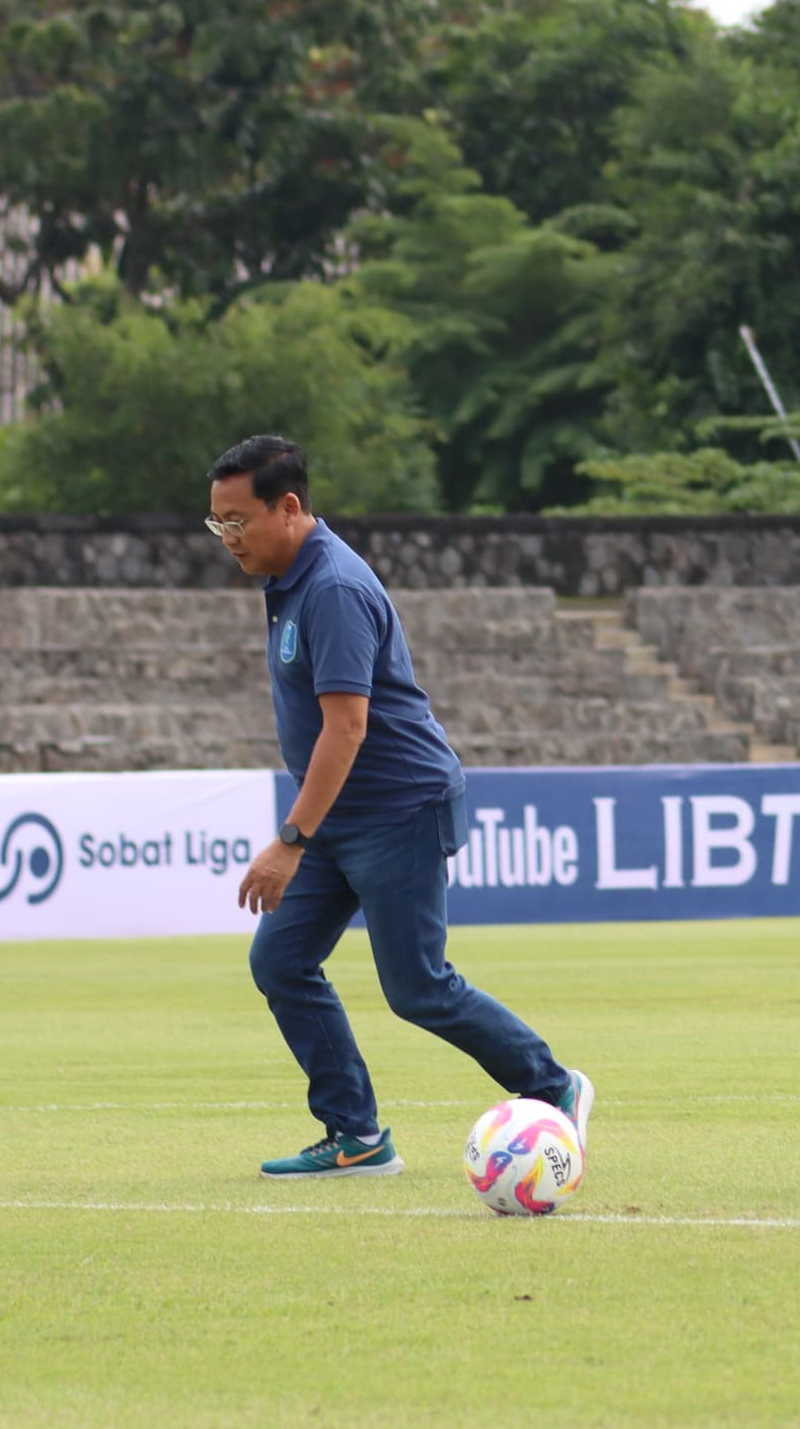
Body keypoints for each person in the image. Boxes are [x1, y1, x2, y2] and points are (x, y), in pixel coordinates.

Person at [208, 436, 592, 1180]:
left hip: (398, 810)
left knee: (417, 988)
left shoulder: (334, 590)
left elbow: (346, 727)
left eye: (237, 520)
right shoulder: (286, 578)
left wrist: (290, 839)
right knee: (281, 960)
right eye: (216, 522)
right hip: (342, 820)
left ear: (288, 508)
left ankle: (554, 1087)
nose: (228, 537)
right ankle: (355, 1134)